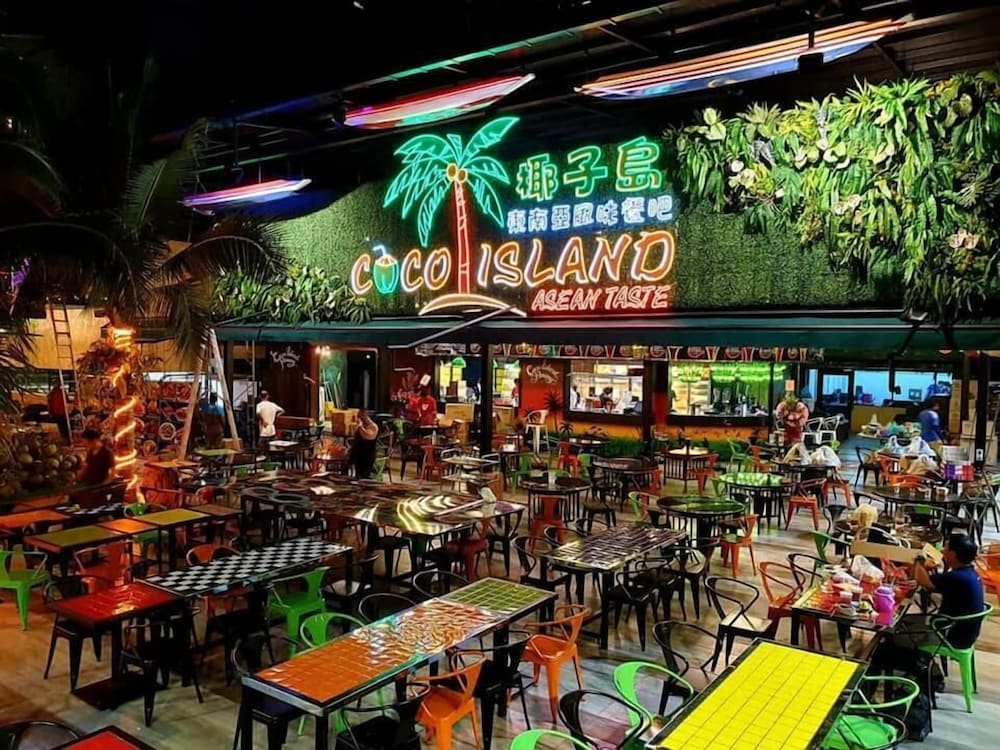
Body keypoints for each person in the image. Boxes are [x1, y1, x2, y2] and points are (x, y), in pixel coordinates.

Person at [350, 409, 379, 479]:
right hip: (358, 454)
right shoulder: (361, 426)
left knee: (364, 476)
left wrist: (360, 427)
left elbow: (367, 436)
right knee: (358, 475)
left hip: (367, 455)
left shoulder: (373, 426)